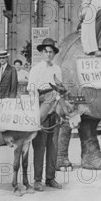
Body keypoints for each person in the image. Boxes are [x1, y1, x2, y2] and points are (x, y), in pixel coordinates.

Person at [28, 37, 63, 191]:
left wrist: (58, 105)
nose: (49, 55)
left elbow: (60, 89)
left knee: (53, 145)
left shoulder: (57, 69)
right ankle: (37, 180)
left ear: (54, 54)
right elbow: (32, 91)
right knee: (40, 145)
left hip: (54, 106)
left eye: (51, 52)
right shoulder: (36, 69)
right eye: (46, 52)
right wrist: (36, 112)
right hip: (41, 106)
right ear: (42, 53)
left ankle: (50, 178)